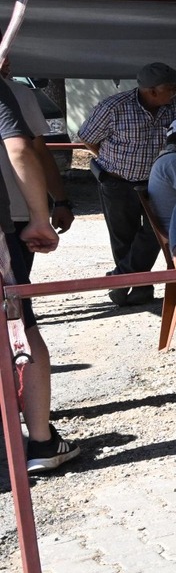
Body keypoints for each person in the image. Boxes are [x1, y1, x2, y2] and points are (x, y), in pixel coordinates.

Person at [75, 61, 176, 304]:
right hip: (118, 182)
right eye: (171, 87)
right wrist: (110, 161)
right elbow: (87, 137)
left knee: (156, 231)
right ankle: (140, 288)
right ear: (152, 91)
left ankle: (121, 278)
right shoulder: (114, 107)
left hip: (157, 182)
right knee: (122, 235)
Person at [0, 79, 69, 471]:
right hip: (9, 221)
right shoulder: (6, 90)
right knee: (19, 326)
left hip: (13, 218)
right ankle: (41, 440)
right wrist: (43, 216)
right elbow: (23, 148)